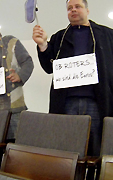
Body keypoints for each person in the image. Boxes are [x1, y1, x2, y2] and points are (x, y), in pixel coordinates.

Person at [32, 0, 113, 158]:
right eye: (70, 8)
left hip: (97, 101)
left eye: (78, 7)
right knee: (65, 147)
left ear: (87, 10)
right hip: (65, 102)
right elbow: (49, 67)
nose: (73, 10)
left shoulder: (108, 34)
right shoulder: (59, 37)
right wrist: (42, 45)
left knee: (97, 149)